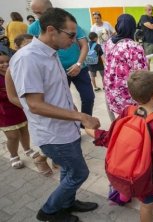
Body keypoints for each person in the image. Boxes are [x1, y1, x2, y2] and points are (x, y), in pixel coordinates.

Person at [10, 8, 101, 222]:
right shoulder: (29, 58)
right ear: (51, 30)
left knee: (69, 171)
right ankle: (49, 211)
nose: (75, 39)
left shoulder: (50, 54)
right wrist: (81, 117)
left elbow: (57, 94)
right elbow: (35, 105)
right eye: (70, 34)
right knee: (79, 173)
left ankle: (67, 203)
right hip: (53, 134)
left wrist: (75, 116)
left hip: (65, 129)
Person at [88, 70, 153, 222]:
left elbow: (110, 137)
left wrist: (90, 129)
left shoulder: (127, 111)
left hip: (138, 176)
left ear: (133, 95)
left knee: (146, 204)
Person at [29, 0, 95, 118]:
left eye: (39, 13)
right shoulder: (33, 31)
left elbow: (84, 44)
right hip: (57, 70)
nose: (72, 40)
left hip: (79, 68)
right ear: (50, 31)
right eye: (35, 13)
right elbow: (33, 104)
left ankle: (85, 123)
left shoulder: (69, 24)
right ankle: (76, 121)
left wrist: (79, 64)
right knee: (63, 100)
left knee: (88, 96)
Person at [0, 51, 41, 168]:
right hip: (4, 113)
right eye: (1, 62)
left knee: (24, 131)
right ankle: (14, 155)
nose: (5, 64)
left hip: (20, 108)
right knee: (13, 136)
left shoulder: (15, 72)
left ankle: (27, 149)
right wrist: (11, 94)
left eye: (7, 61)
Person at [104, 14, 148, 117]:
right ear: (133, 28)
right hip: (128, 96)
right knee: (132, 122)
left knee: (121, 120)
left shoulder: (109, 42)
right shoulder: (135, 47)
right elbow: (142, 75)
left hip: (111, 92)